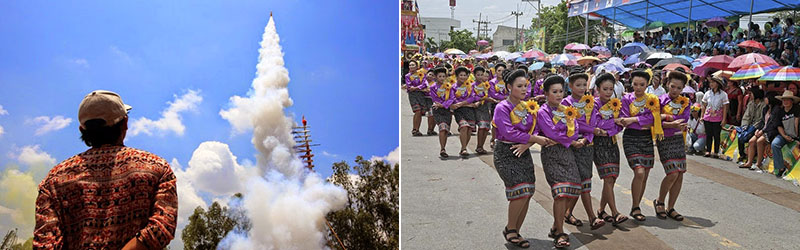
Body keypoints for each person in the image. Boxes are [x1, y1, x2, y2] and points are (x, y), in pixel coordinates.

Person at [34, 90, 177, 249]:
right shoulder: (156, 167)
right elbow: (162, 227)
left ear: (82, 130)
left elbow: (45, 244)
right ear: (125, 123)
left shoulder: (53, 181)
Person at [492, 69, 556, 249]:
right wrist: (534, 139)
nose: (523, 89)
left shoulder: (528, 107)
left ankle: (514, 230)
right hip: (506, 152)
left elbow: (536, 128)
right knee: (519, 190)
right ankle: (511, 229)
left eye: (525, 86)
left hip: (522, 151)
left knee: (528, 191)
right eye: (519, 86)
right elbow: (508, 132)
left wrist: (528, 144)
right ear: (509, 87)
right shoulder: (502, 107)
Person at [537, 75, 581, 248]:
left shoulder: (567, 109)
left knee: (574, 189)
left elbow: (575, 130)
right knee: (560, 193)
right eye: (554, 91)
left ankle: (556, 226)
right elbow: (551, 132)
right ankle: (560, 233)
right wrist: (567, 138)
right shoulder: (543, 111)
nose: (558, 95)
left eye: (561, 91)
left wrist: (565, 139)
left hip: (567, 153)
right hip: (552, 155)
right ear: (546, 93)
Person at [561, 68, 606, 230]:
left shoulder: (590, 102)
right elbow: (572, 125)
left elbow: (593, 124)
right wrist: (586, 134)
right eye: (578, 85)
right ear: (570, 86)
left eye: (584, 85)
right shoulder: (565, 103)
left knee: (584, 181)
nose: (581, 88)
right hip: (571, 146)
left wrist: (587, 138)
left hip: (587, 146)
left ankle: (567, 213)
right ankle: (592, 217)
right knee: (578, 182)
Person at [616, 69, 662, 221]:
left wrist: (635, 119)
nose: (638, 87)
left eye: (642, 84)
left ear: (647, 84)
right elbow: (624, 120)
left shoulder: (653, 99)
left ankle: (636, 206)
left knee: (645, 175)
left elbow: (654, 119)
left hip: (647, 138)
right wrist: (641, 120)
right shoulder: (626, 99)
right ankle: (636, 207)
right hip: (631, 138)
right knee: (639, 172)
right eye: (635, 84)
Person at [592, 73, 629, 225]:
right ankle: (615, 212)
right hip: (598, 144)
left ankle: (601, 210)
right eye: (605, 89)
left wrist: (610, 129)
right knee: (607, 177)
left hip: (612, 142)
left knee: (612, 178)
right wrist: (613, 122)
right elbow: (596, 123)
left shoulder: (615, 103)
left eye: (610, 89)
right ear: (597, 89)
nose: (608, 92)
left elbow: (621, 125)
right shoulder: (593, 104)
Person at [654, 72, 691, 222]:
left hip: (678, 139)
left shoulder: (685, 102)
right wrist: (671, 123)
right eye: (673, 86)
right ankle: (660, 201)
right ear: (667, 84)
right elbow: (655, 120)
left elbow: (684, 119)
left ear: (683, 88)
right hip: (664, 139)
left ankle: (671, 207)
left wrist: (667, 118)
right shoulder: (659, 101)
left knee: (680, 173)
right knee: (672, 173)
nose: (675, 90)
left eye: (679, 88)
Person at [450, 66, 479, 157]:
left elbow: (472, 97)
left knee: (469, 129)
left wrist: (462, 103)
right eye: (461, 75)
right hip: (459, 111)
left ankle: (464, 147)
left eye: (465, 75)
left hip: (470, 111)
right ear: (457, 76)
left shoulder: (470, 86)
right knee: (464, 127)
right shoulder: (453, 87)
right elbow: (453, 99)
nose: (463, 77)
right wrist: (464, 104)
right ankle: (464, 148)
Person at [404, 60, 437, 136]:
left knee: (426, 112)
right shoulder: (407, 76)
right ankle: (415, 130)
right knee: (417, 111)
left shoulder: (421, 74)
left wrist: (416, 88)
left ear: (417, 66)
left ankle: (430, 130)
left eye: (413, 65)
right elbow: (409, 87)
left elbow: (424, 84)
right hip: (413, 96)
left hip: (421, 95)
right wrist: (418, 88)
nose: (411, 66)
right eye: (410, 65)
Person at [772, 90, 800, 177]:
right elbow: (779, 126)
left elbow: (797, 124)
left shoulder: (797, 110)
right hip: (785, 135)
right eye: (784, 100)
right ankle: (780, 167)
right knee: (775, 144)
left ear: (792, 101)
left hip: (796, 136)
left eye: (787, 100)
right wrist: (784, 136)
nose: (785, 102)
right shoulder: (780, 112)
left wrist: (797, 138)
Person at [430, 67, 456, 157]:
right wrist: (440, 105)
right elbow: (434, 98)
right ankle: (442, 149)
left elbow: (452, 98)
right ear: (436, 77)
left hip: (447, 110)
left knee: (446, 130)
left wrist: (444, 105)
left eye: (443, 76)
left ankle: (444, 146)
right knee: (442, 127)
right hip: (437, 109)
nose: (442, 78)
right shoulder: (433, 87)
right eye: (439, 76)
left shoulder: (449, 86)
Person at [736, 88, 766, 165]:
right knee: (741, 136)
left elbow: (761, 119)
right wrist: (745, 126)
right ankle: (742, 154)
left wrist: (753, 127)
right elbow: (746, 116)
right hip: (749, 125)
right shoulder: (750, 103)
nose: (750, 95)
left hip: (757, 126)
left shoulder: (763, 105)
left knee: (751, 137)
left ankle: (752, 156)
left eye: (751, 94)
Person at [702, 76, 729, 158]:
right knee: (708, 134)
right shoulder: (707, 93)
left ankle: (716, 152)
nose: (711, 84)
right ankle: (708, 150)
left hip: (717, 117)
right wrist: (702, 115)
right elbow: (704, 105)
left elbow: (725, 107)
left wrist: (724, 119)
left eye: (713, 82)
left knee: (716, 135)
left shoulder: (723, 94)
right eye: (710, 82)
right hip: (708, 116)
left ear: (718, 84)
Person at [472, 66, 495, 154]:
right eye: (478, 75)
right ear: (474, 75)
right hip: (476, 107)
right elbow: (472, 96)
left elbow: (490, 95)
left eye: (482, 75)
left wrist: (489, 99)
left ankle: (481, 146)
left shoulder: (486, 85)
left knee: (486, 127)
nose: (480, 77)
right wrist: (482, 99)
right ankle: (479, 146)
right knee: (481, 126)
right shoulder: (471, 85)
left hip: (485, 107)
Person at [489, 63, 509, 148]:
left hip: (506, 105)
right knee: (495, 123)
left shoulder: (507, 82)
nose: (501, 72)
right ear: (495, 71)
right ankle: (493, 139)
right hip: (495, 104)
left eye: (503, 71)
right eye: (499, 70)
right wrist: (504, 97)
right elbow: (493, 94)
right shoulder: (492, 82)